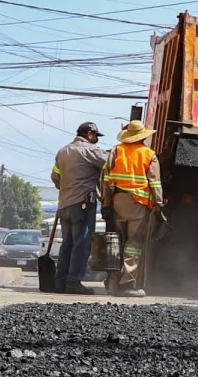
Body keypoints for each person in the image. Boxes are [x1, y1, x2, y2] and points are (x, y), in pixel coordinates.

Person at [101, 120, 163, 296]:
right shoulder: (148, 155)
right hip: (138, 204)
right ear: (143, 136)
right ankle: (127, 284)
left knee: (116, 243)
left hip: (118, 201)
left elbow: (106, 180)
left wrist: (106, 203)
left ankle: (112, 282)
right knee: (133, 244)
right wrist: (159, 204)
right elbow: (155, 182)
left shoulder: (115, 151)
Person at [50, 121, 107, 295]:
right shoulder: (91, 150)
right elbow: (111, 164)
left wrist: (67, 190)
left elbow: (55, 177)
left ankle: (60, 282)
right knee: (81, 244)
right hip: (82, 205)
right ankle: (74, 281)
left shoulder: (62, 151)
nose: (96, 140)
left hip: (64, 206)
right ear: (89, 134)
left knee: (67, 244)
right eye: (96, 136)